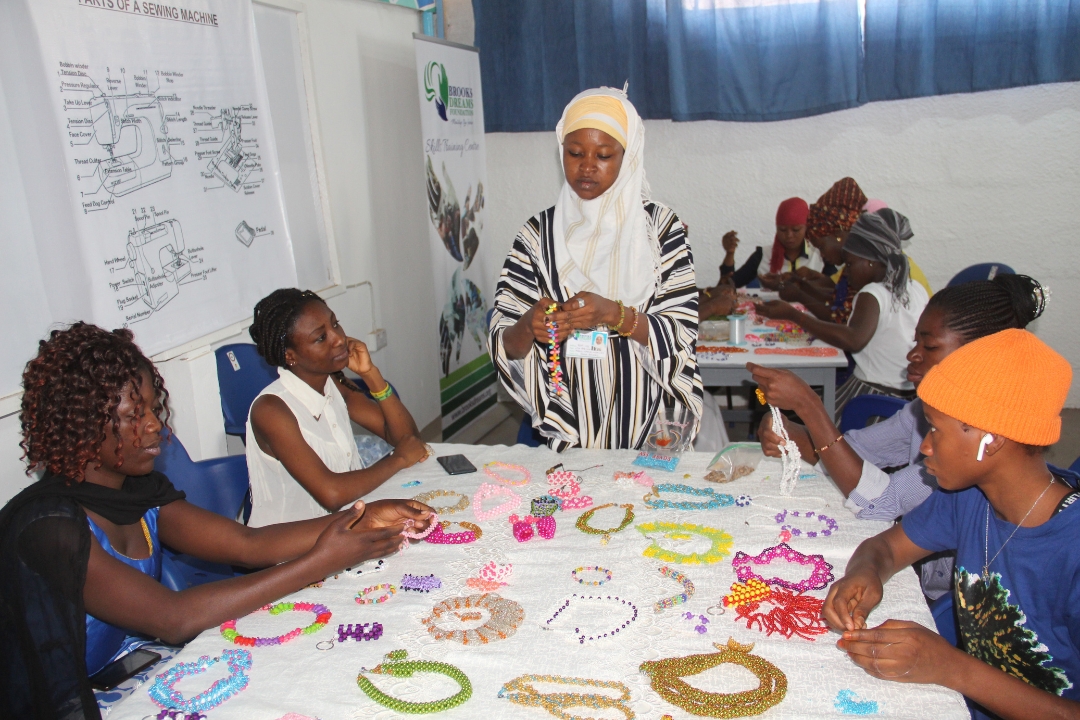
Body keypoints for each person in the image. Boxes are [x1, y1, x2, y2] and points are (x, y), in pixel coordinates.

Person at [0, 323, 432, 719]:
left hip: (132, 673)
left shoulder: (137, 493)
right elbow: (173, 618)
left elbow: (249, 544)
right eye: (135, 416)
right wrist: (322, 561)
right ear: (83, 427)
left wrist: (362, 517)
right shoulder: (48, 527)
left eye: (154, 409)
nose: (155, 427)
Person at [825, 329, 1078, 720]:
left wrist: (953, 668)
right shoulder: (969, 498)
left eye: (936, 429)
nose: (924, 446)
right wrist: (865, 573)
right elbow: (886, 548)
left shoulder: (1070, 547)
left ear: (989, 440)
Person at [751, 274, 1049, 601]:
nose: (913, 355)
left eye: (930, 345)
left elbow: (882, 503)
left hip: (943, 595)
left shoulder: (966, 457)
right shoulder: (925, 412)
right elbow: (855, 450)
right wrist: (795, 433)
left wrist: (809, 407)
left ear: (977, 358)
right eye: (915, 342)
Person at [489, 86, 703, 450]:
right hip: (570, 425)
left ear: (628, 156)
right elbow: (505, 343)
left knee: (648, 506)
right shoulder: (537, 236)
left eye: (603, 155)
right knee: (579, 506)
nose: (587, 166)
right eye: (574, 153)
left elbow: (681, 331)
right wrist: (530, 326)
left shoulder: (659, 230)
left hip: (652, 423)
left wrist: (614, 314)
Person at [246, 289, 431, 527]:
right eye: (321, 338)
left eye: (336, 324)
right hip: (289, 545)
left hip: (342, 527)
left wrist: (370, 374)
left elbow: (407, 438)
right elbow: (331, 494)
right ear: (290, 356)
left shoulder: (332, 382)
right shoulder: (271, 409)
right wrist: (398, 459)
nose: (339, 339)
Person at [755, 209, 929, 420]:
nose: (847, 271)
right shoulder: (915, 288)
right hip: (910, 398)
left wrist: (795, 316)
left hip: (871, 397)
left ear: (871, 262)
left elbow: (853, 339)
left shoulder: (873, 293)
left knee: (798, 420)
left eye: (851, 264)